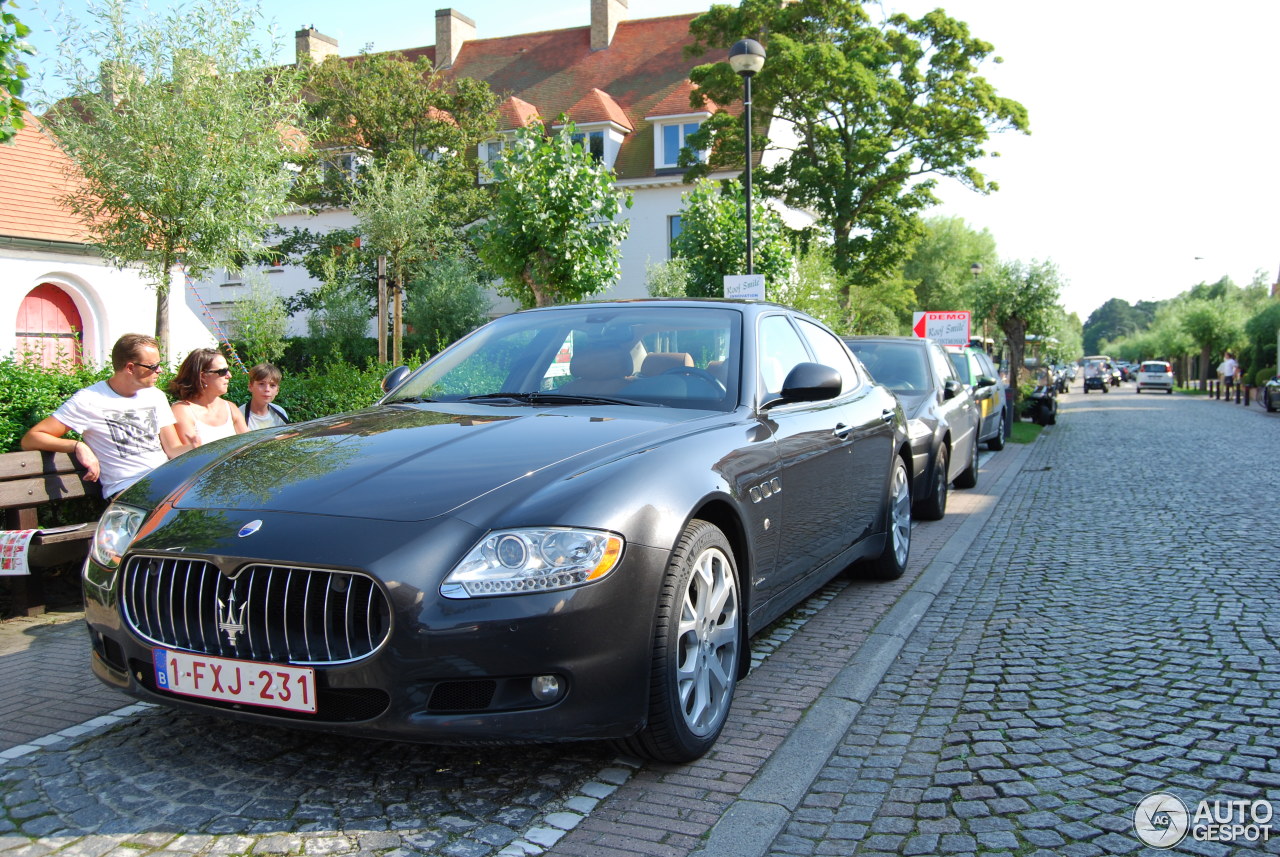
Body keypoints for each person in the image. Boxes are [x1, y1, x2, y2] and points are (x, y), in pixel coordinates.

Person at [21, 333, 188, 499]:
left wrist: (202, 448)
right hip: (128, 489)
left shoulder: (155, 396)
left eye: (159, 364)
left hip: (166, 483)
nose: (160, 370)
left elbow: (173, 449)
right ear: (130, 368)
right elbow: (31, 438)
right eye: (152, 366)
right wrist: (77, 446)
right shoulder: (89, 399)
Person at [169, 348, 248, 446]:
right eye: (223, 371)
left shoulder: (231, 408)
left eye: (228, 370)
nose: (229, 375)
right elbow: (191, 455)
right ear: (203, 376)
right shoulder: (182, 410)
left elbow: (249, 445)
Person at [240, 362, 289, 430]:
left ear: (277, 390)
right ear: (250, 386)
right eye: (261, 384)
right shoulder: (239, 415)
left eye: (272, 385)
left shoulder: (280, 413)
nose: (267, 389)